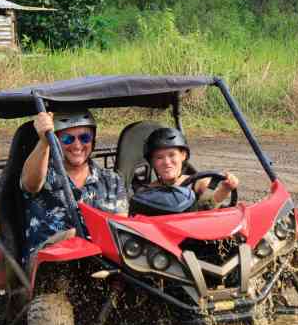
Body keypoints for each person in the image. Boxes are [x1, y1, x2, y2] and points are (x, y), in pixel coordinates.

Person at [20, 109, 128, 261]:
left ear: (93, 140)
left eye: (85, 137)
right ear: (56, 141)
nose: (77, 145)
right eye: (67, 139)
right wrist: (44, 141)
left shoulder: (111, 180)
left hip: (103, 262)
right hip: (48, 263)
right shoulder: (42, 173)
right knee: (72, 236)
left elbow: (122, 229)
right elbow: (30, 185)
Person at [143, 127, 238, 206]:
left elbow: (209, 207)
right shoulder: (146, 193)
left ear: (183, 155)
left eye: (172, 155)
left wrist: (225, 189)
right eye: (159, 157)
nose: (167, 162)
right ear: (152, 162)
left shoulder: (199, 184)